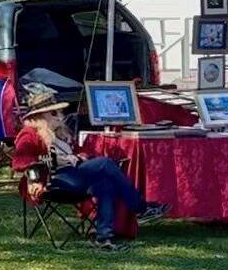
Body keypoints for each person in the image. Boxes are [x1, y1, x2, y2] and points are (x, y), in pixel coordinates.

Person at [11, 83, 166, 252]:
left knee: (106, 184)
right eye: (54, 112)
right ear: (40, 116)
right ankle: (140, 208)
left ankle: (103, 238)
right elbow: (20, 162)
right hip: (54, 180)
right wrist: (56, 160)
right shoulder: (29, 134)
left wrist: (80, 156)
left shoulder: (60, 133)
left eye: (60, 111)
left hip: (74, 174)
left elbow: (80, 152)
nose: (59, 116)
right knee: (105, 164)